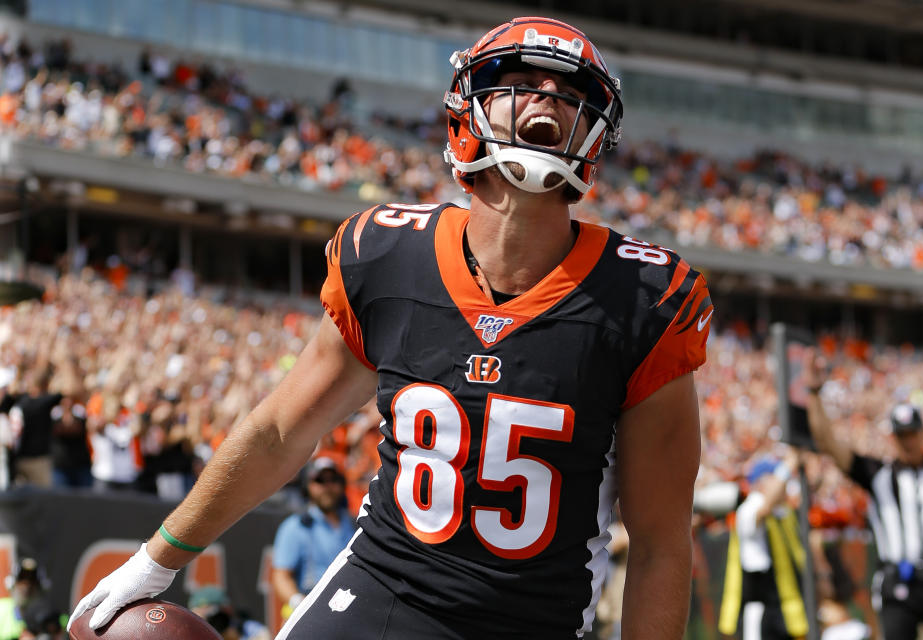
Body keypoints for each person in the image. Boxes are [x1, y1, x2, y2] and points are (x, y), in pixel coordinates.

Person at [69, 16, 712, 640]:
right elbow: (279, 432)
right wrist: (157, 558)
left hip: (531, 619)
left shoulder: (642, 300)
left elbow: (658, 541)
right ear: (469, 109)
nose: (548, 96)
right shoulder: (390, 255)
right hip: (381, 592)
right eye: (523, 78)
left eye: (572, 93)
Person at [804, 355, 923, 639]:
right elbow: (828, 443)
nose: (908, 442)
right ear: (893, 438)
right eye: (902, 436)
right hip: (899, 586)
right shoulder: (879, 475)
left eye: (913, 434)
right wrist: (815, 393)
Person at [716, 448, 810, 640]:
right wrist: (788, 465)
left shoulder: (783, 513)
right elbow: (764, 508)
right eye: (773, 478)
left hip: (786, 612)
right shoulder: (750, 508)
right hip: (762, 613)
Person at [271, 457, 356, 621]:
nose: (327, 486)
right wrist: (298, 602)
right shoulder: (294, 527)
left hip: (350, 612)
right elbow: (280, 576)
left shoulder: (356, 524)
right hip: (310, 614)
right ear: (307, 486)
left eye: (333, 480)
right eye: (320, 480)